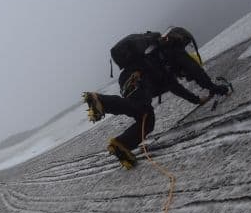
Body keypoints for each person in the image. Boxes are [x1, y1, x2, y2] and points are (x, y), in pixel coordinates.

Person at [83, 27, 231, 169]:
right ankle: (101, 101)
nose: (186, 75)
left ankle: (122, 145)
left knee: (147, 119)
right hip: (138, 75)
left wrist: (197, 100)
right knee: (141, 107)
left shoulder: (164, 68)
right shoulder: (173, 51)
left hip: (132, 78)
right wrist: (214, 88)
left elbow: (177, 89)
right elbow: (195, 70)